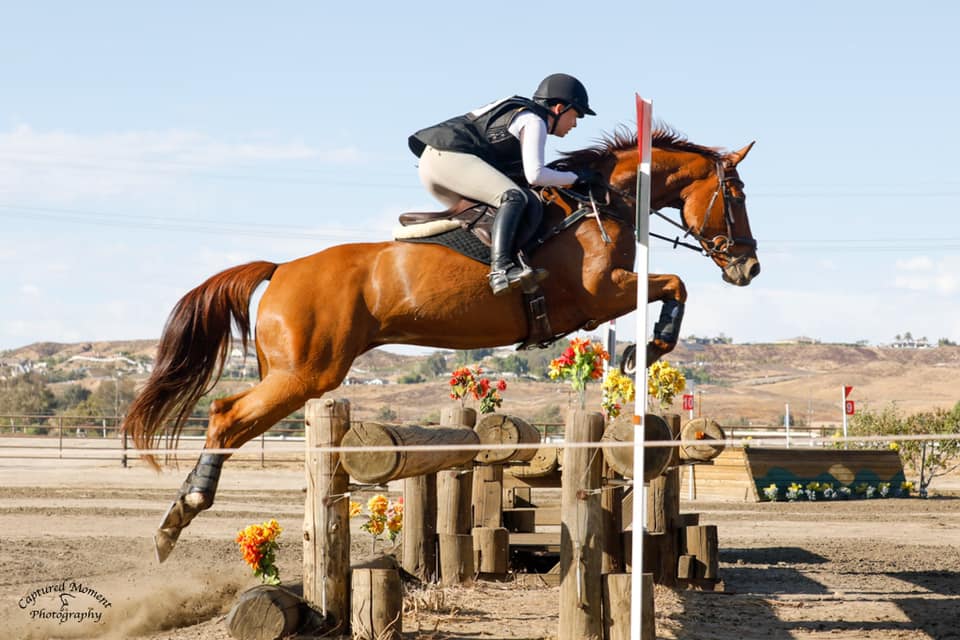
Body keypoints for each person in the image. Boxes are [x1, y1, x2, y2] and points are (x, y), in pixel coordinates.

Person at [408, 73, 598, 296]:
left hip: (438, 163)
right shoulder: (534, 120)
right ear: (559, 108)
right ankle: (501, 270)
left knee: (513, 207)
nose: (575, 124)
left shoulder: (525, 115)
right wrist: (576, 178)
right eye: (577, 115)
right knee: (513, 197)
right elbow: (535, 175)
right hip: (447, 157)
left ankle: (478, 269)